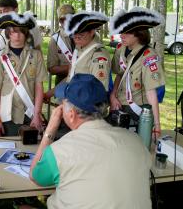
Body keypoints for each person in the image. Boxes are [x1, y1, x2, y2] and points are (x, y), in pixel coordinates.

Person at [30, 73, 152, 209]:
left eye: (62, 104)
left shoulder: (59, 151)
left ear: (71, 114)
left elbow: (35, 177)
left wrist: (50, 129)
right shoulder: (136, 141)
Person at [0, 12, 48, 136]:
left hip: (30, 113)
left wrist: (37, 114)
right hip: (8, 115)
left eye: (21, 31)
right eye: (13, 31)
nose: (17, 35)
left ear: (26, 33)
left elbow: (39, 87)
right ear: (8, 33)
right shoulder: (0, 57)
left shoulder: (36, 55)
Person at [109, 7, 165, 137]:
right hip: (119, 106)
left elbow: (151, 92)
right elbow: (120, 73)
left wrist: (156, 125)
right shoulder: (121, 48)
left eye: (127, 32)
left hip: (137, 110)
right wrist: (113, 95)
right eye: (121, 31)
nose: (122, 35)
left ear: (139, 33)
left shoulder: (149, 56)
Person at [47, 4, 75, 85]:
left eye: (69, 18)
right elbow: (51, 68)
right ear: (59, 21)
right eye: (62, 19)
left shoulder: (84, 34)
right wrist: (71, 68)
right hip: (63, 82)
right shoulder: (55, 39)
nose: (65, 22)